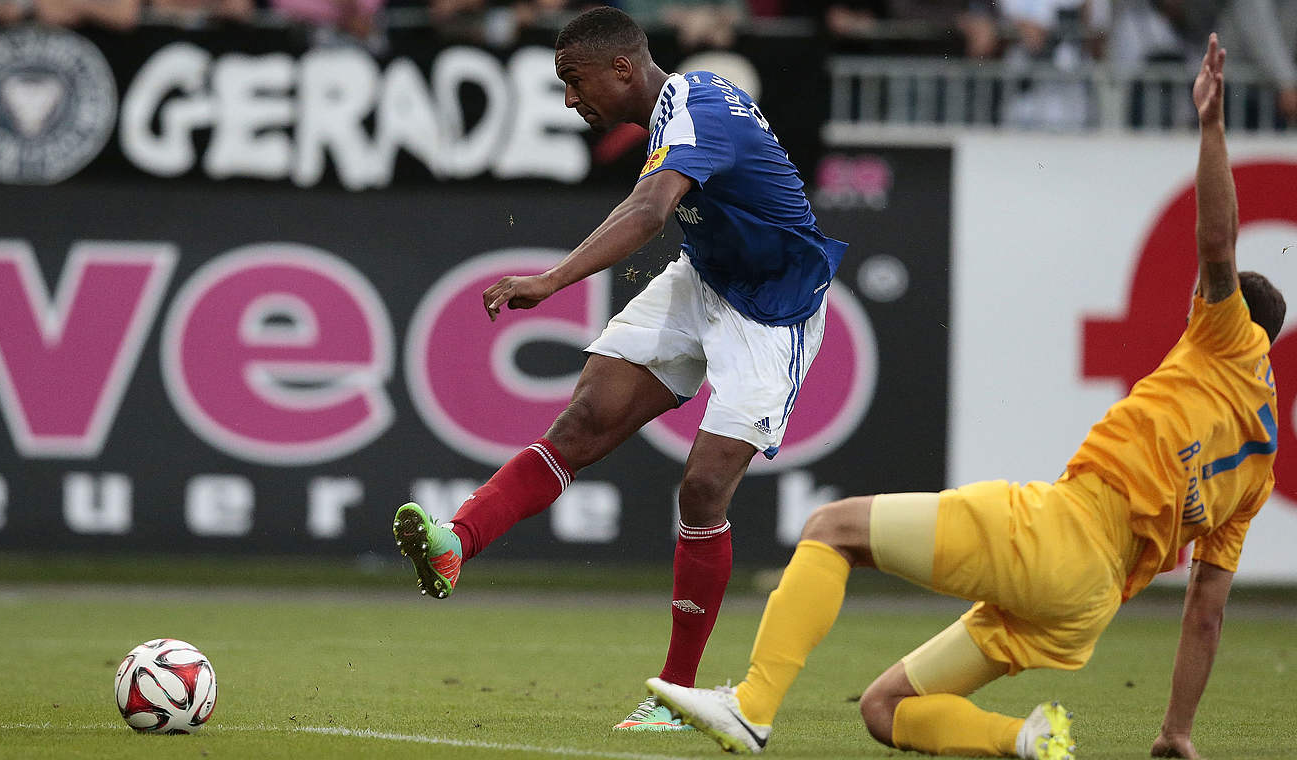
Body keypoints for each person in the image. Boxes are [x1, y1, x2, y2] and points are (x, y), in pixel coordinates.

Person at [648, 32, 1285, 759]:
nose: (1192, 307)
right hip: (1088, 609)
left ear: (1225, 312)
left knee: (832, 530)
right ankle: (1027, 742)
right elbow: (1206, 612)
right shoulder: (1256, 473)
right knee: (887, 709)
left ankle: (753, 706)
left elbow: (1217, 246)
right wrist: (1175, 731)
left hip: (1063, 535)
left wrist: (1210, 126)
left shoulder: (1226, 340)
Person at [392, 5, 849, 731]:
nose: (570, 99)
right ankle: (457, 542)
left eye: (574, 81)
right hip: (704, 280)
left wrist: (551, 279)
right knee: (583, 421)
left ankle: (674, 695)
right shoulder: (675, 116)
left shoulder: (697, 99)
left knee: (702, 488)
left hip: (776, 311)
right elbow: (650, 203)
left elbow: (648, 208)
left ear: (623, 69)